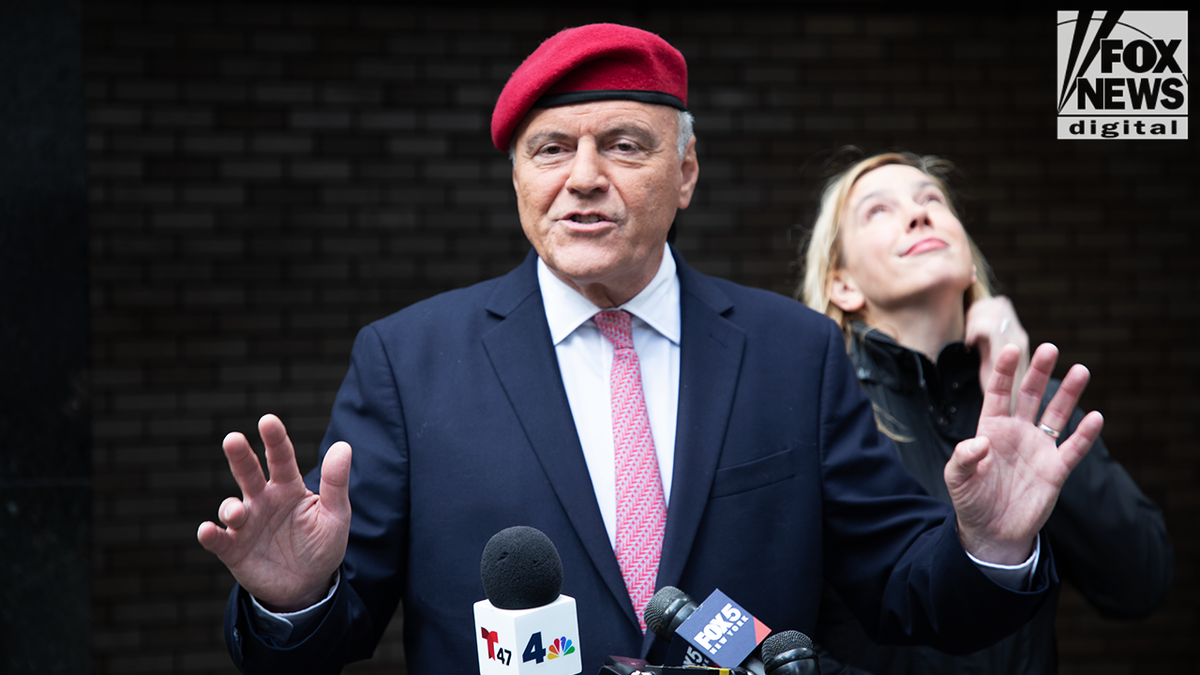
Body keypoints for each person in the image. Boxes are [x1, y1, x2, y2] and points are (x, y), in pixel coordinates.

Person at [197, 26, 1105, 675]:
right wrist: (294, 597)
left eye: (625, 144)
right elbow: (334, 634)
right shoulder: (410, 359)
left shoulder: (792, 351)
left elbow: (909, 592)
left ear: (687, 173)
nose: (583, 176)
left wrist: (991, 546)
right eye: (550, 148)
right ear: (518, 179)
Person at [797, 151, 1173, 674]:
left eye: (932, 200)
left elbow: (1139, 582)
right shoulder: (818, 409)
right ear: (843, 284)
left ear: (968, 259)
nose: (918, 213)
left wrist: (1024, 391)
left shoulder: (1039, 399)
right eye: (877, 211)